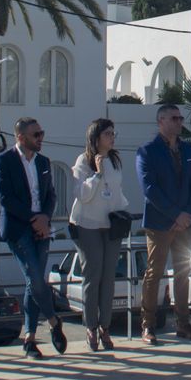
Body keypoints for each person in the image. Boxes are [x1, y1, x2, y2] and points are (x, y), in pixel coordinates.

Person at [0, 118, 66, 359]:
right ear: (21, 137)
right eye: (36, 134)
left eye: (41, 133)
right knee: (35, 278)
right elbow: (5, 198)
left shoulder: (44, 162)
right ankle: (55, 321)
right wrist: (33, 219)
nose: (40, 138)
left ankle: (30, 339)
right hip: (19, 227)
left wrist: (45, 218)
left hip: (42, 228)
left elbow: (51, 195)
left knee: (32, 282)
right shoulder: (3, 161)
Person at [137, 104, 191, 344]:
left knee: (183, 273)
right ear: (161, 121)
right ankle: (148, 325)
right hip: (160, 222)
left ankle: (183, 324)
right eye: (174, 118)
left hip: (184, 223)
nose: (179, 122)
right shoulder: (147, 151)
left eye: (180, 117)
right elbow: (150, 189)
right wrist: (175, 214)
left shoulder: (187, 149)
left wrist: (187, 213)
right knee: (154, 273)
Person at [71, 118, 126, 352]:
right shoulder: (83, 161)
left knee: (108, 277)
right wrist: (97, 174)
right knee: (92, 276)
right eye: (107, 134)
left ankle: (105, 326)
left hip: (111, 225)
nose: (112, 138)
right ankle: (91, 326)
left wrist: (123, 211)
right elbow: (81, 194)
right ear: (96, 138)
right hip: (87, 225)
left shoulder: (115, 159)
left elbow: (116, 192)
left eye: (114, 133)